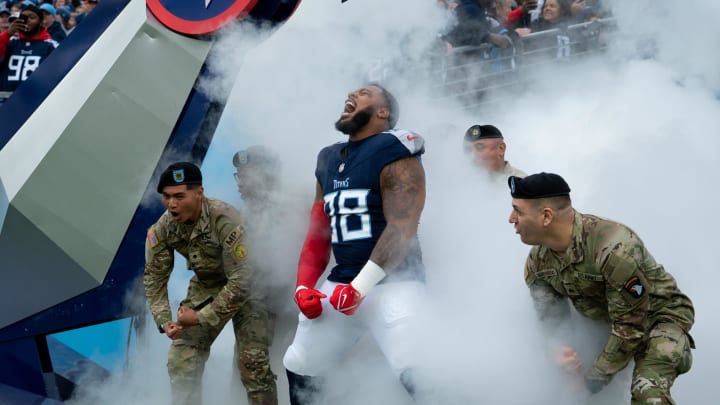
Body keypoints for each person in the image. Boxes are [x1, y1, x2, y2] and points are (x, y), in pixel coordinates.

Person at [282, 83, 427, 404]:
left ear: (383, 111)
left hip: (395, 282)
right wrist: (304, 286)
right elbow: (318, 232)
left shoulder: (396, 150)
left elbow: (402, 228)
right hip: (344, 283)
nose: (352, 94)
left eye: (364, 92)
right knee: (301, 363)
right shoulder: (329, 158)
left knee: (421, 373)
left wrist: (361, 286)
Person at [507, 172, 695, 404]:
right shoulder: (538, 263)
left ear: (546, 216)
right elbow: (551, 321)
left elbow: (631, 327)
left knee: (647, 394)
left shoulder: (613, 248)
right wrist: (557, 350)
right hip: (607, 325)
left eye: (518, 211)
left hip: (656, 320)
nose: (511, 218)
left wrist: (590, 382)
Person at [143, 162, 278, 405]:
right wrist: (165, 321)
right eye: (166, 197)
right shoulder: (162, 229)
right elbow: (154, 279)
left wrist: (201, 317)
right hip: (207, 285)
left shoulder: (224, 219)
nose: (171, 204)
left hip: (250, 289)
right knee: (182, 358)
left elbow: (243, 278)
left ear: (199, 193)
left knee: (253, 365)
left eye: (179, 196)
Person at [0, 4, 58, 101]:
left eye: (32, 17)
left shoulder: (51, 46)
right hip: (5, 100)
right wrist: (7, 33)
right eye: (24, 17)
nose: (27, 20)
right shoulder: (10, 41)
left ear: (40, 22)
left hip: (33, 102)